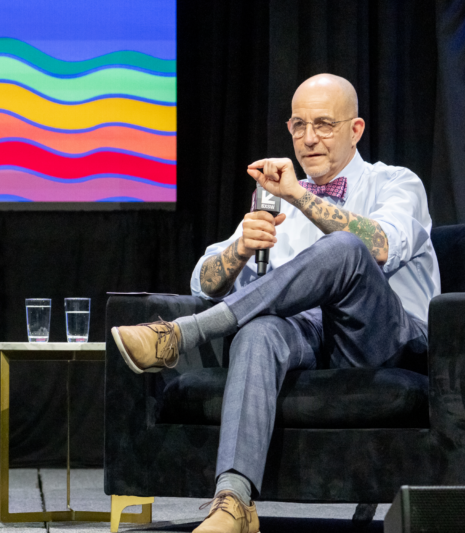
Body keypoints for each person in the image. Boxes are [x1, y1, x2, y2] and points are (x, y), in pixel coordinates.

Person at [111, 73, 439, 533]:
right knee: (260, 329)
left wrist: (300, 197)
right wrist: (239, 249)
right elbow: (202, 281)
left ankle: (184, 334)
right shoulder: (275, 200)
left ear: (356, 129)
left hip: (390, 341)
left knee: (346, 247)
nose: (308, 139)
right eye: (298, 125)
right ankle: (233, 501)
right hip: (312, 340)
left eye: (324, 125)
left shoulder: (398, 183)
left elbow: (379, 245)